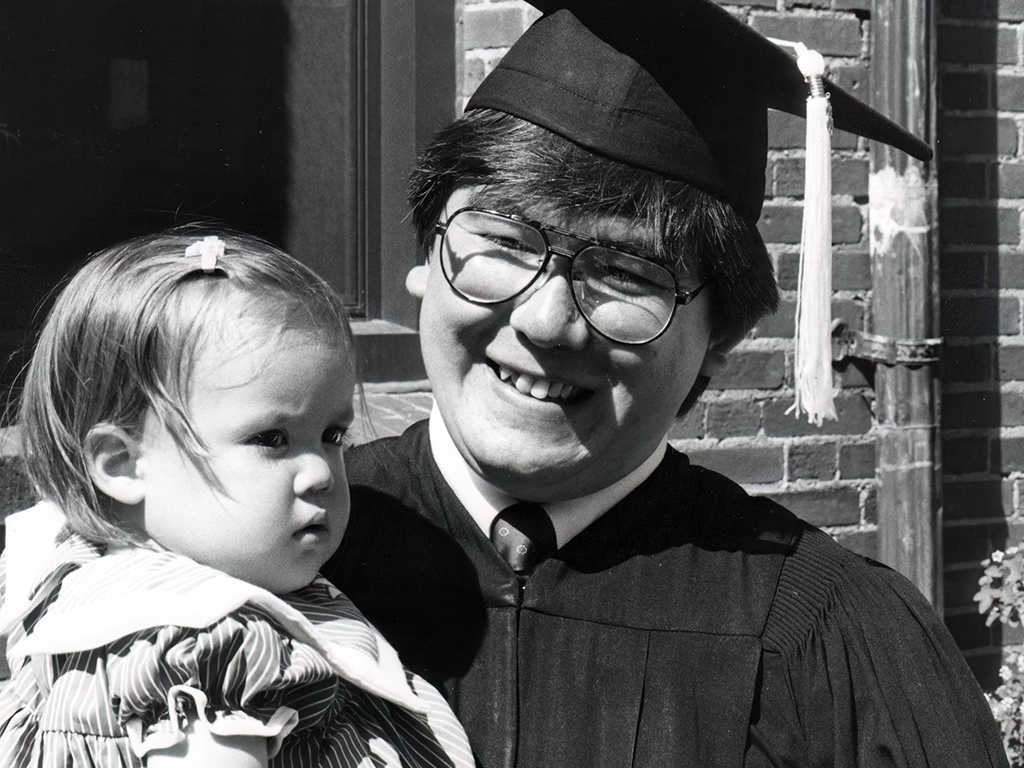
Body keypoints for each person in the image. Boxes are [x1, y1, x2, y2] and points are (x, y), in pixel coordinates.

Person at [322, 1, 1010, 766]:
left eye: (624, 273)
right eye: (505, 242)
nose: (548, 320)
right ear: (423, 260)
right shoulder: (277, 552)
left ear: (722, 337)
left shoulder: (835, 633)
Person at [0, 227, 474, 768]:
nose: (320, 472)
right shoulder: (201, 645)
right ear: (123, 464)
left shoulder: (78, 575)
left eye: (333, 435)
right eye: (270, 439)